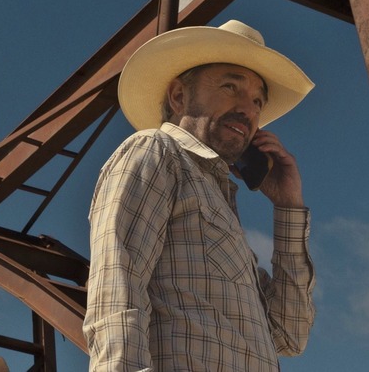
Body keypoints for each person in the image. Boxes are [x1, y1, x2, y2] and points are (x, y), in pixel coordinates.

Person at [83, 19, 316, 372]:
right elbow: (117, 290)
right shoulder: (155, 151)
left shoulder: (224, 212)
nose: (250, 110)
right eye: (230, 87)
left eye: (257, 100)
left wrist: (288, 206)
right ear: (178, 96)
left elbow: (289, 334)